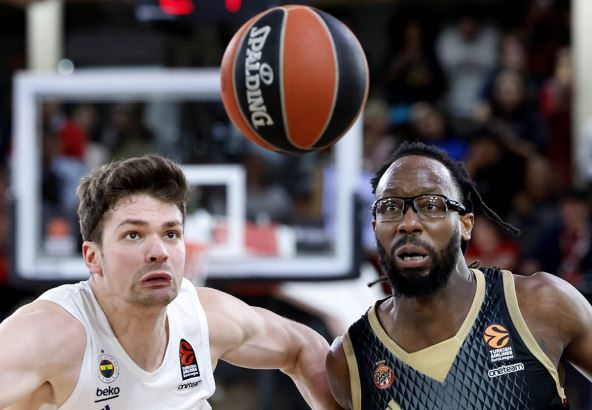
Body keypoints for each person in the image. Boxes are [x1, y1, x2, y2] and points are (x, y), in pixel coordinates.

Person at [0, 154, 339, 410]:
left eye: (171, 234)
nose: (159, 252)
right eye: (134, 235)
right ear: (93, 257)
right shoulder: (48, 335)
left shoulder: (205, 318)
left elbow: (304, 346)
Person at [326, 141, 592, 409]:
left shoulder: (541, 304)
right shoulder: (349, 362)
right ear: (375, 228)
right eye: (390, 207)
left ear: (466, 225)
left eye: (431, 205)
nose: (409, 223)